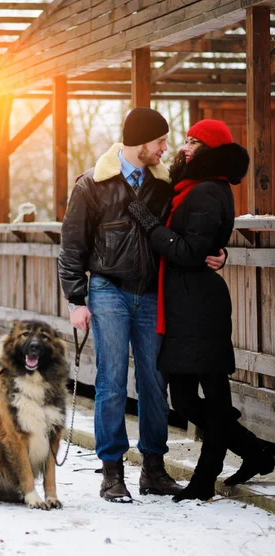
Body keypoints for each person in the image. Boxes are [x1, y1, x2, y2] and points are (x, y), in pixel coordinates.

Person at [58, 108, 225, 503]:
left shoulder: (163, 184)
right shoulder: (91, 185)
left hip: (152, 294)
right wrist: (75, 299)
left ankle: (153, 468)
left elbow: (192, 231)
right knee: (112, 380)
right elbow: (71, 248)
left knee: (154, 381)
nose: (165, 149)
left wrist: (219, 254)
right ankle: (112, 473)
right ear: (140, 143)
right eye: (160, 142)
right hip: (107, 290)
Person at [128, 119, 275, 502]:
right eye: (187, 139)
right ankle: (257, 451)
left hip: (199, 307)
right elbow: (200, 245)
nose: (185, 147)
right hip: (183, 304)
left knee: (210, 395)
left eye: (195, 142)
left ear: (210, 151)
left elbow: (191, 252)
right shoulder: (191, 187)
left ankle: (205, 477)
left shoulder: (209, 191)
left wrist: (150, 226)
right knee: (186, 400)